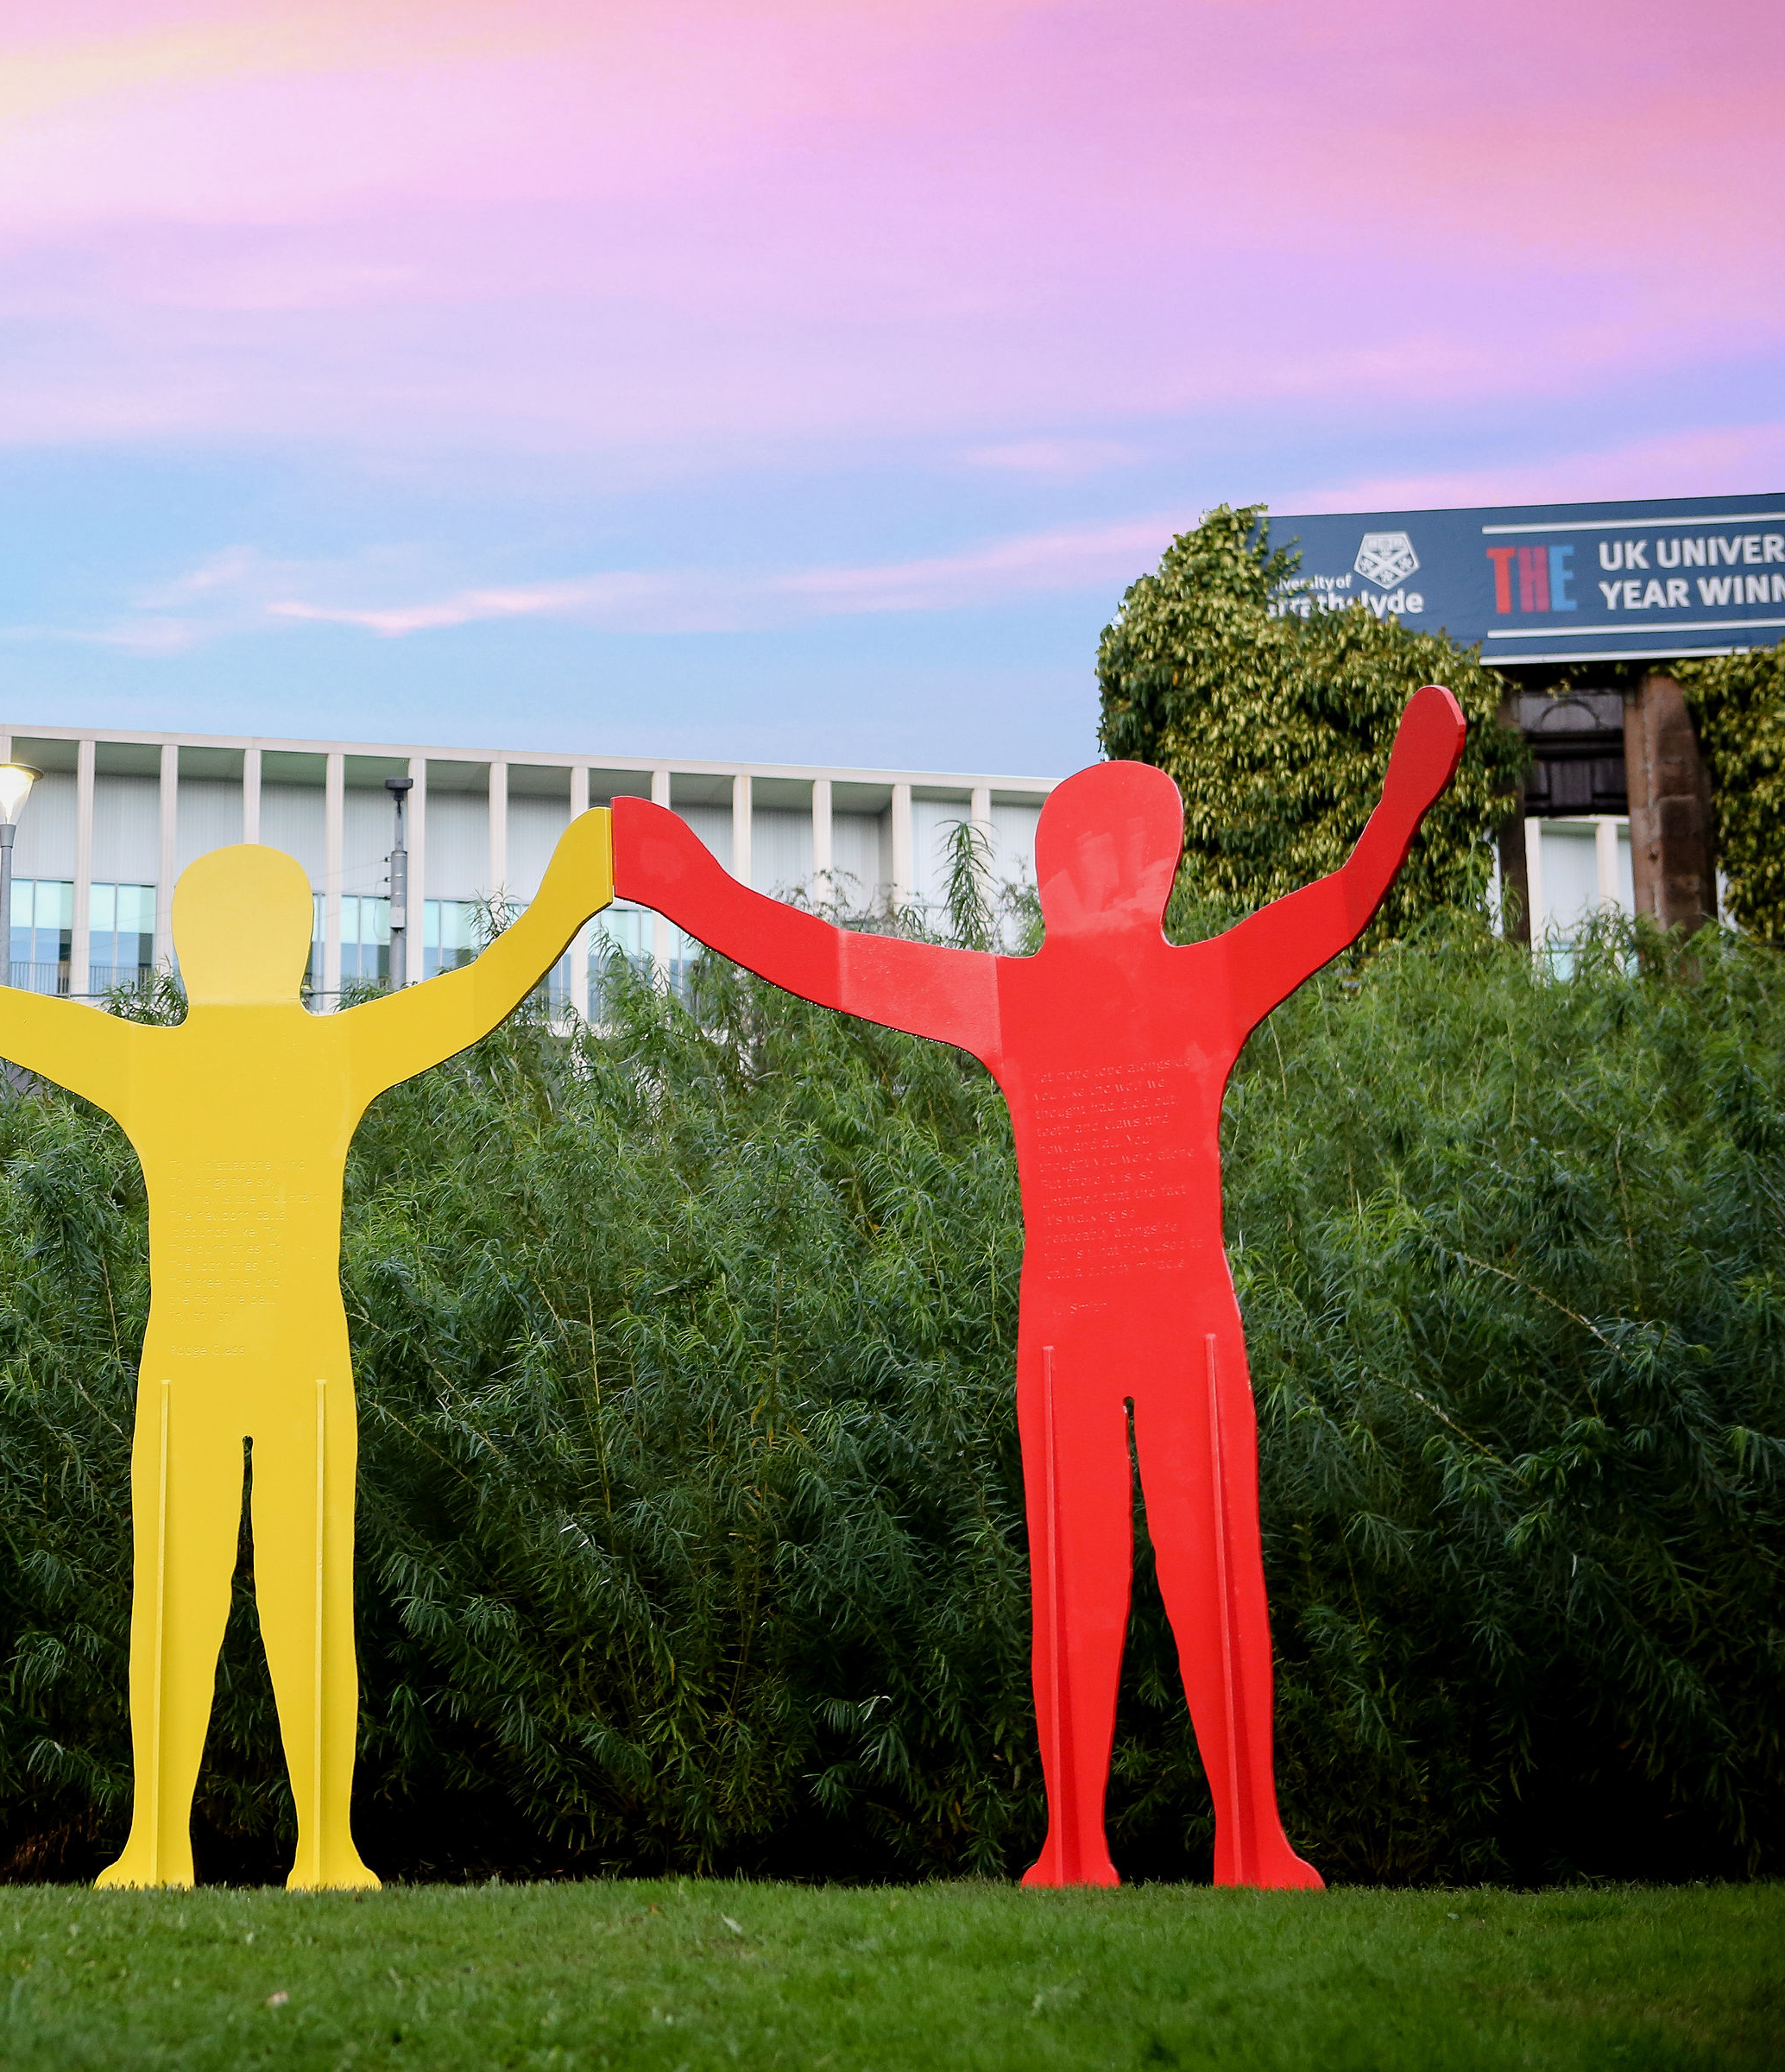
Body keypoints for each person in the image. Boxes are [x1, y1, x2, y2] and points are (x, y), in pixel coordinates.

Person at [613, 687, 1466, 1888]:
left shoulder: (1075, 994)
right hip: (1102, 1327)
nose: (1095, 876)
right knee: (1114, 1578)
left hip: (1142, 1325)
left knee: (1179, 1572)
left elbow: (836, 961)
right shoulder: (1112, 991)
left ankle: (1215, 1841)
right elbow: (837, 965)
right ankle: (1109, 1845)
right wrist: (690, 893)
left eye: (1105, 855)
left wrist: (693, 893)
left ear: (1116, 873)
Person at [0, 818, 612, 1888]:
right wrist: (568, 895)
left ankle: (163, 1844)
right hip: (301, 1372)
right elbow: (483, 990)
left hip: (192, 1373)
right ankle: (317, 1849)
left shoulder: (150, 1061)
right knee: (307, 1604)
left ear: (185, 947)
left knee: (178, 1606)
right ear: (302, 946)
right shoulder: (337, 1051)